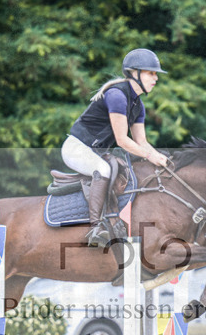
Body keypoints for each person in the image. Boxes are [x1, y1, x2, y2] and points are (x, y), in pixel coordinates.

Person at [62, 48, 170, 246]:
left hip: (97, 152)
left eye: (155, 74)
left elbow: (142, 142)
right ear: (134, 73)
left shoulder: (138, 105)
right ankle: (96, 228)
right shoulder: (116, 95)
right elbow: (122, 140)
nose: (155, 78)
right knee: (102, 170)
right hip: (76, 149)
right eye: (150, 73)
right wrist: (149, 156)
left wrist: (162, 158)